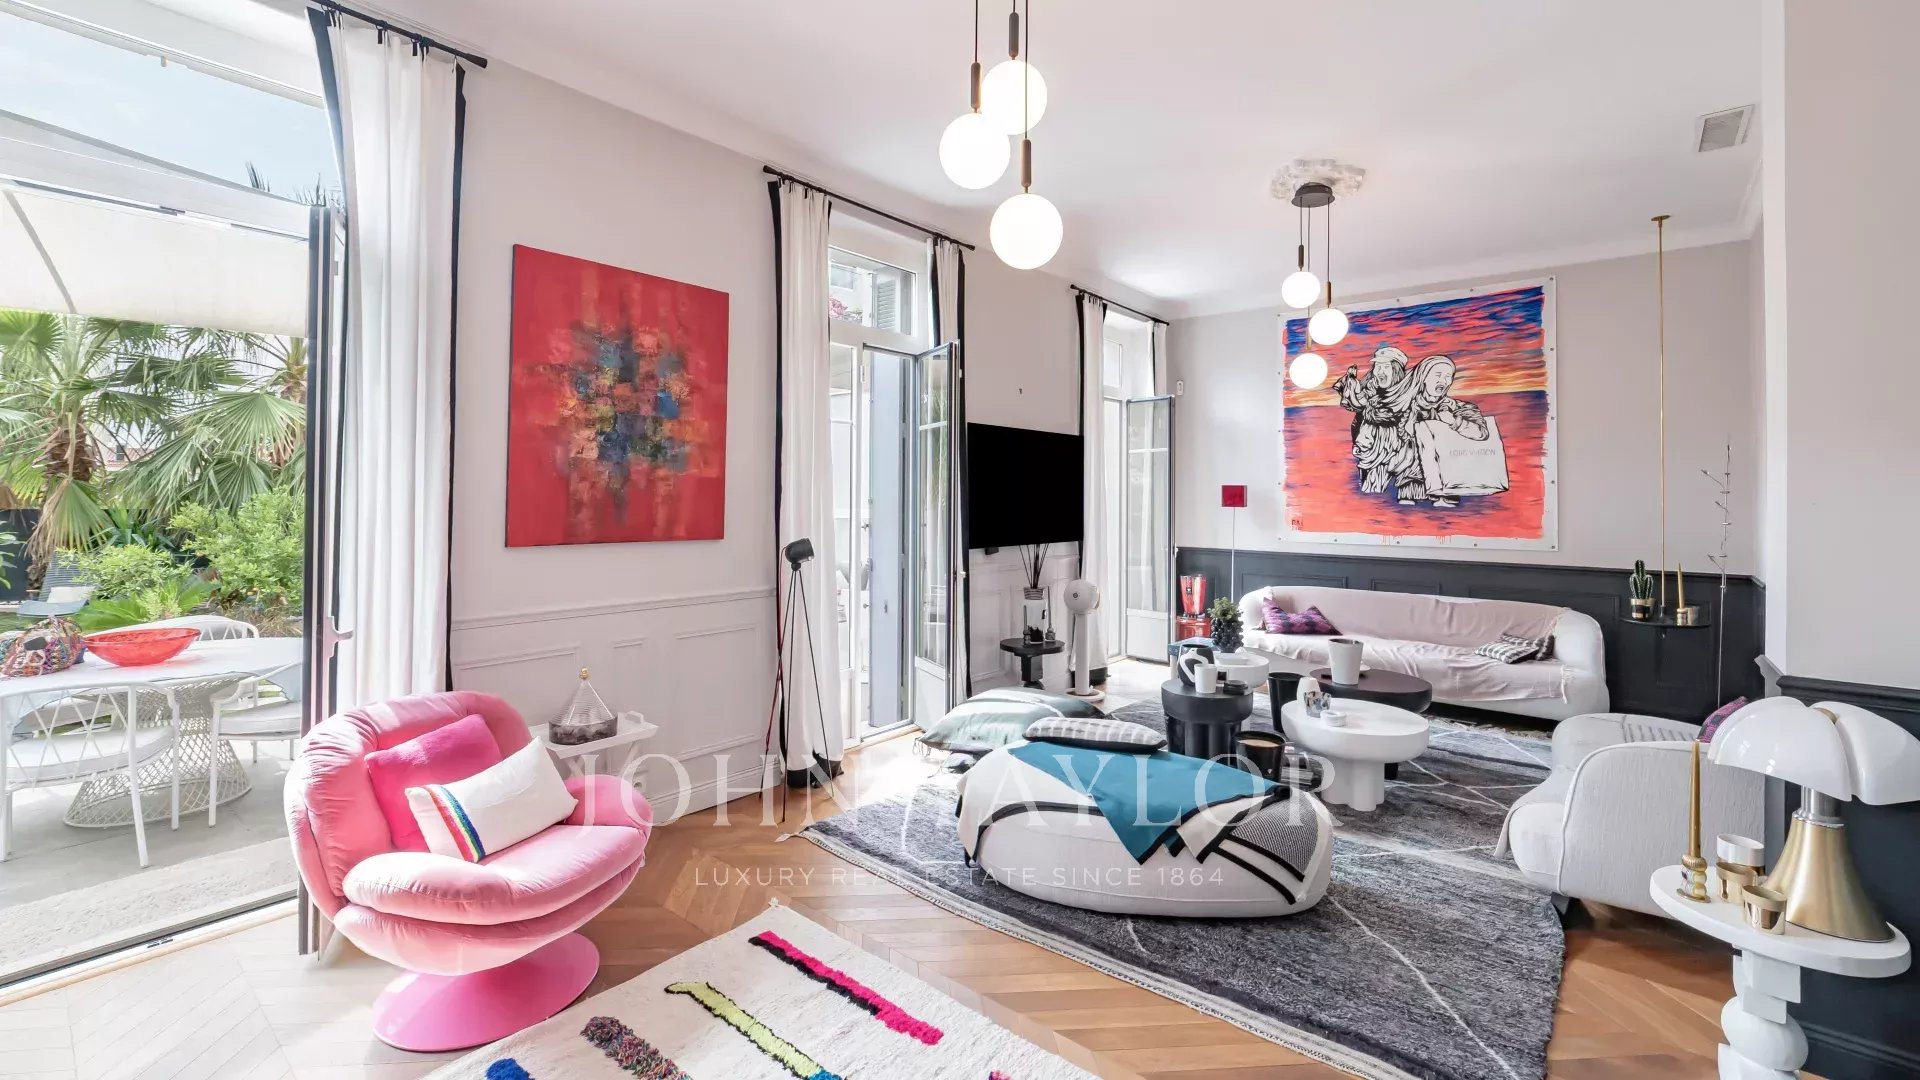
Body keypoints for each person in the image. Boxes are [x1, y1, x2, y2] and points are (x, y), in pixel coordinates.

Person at [1385, 355, 1487, 507]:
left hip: (1447, 482)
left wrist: (1454, 421)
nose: (1443, 381)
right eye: (1438, 375)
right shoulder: (1406, 408)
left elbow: (1482, 434)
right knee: (1406, 508)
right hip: (1412, 483)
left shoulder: (1458, 408)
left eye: (1447, 376)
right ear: (1424, 378)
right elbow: (1394, 442)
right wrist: (1408, 431)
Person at [1332, 347, 1411, 494]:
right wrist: (1353, 387)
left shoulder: (1406, 395)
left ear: (1396, 370)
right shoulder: (1370, 390)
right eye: (1378, 366)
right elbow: (1357, 404)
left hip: (1397, 454)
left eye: (1385, 367)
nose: (1380, 371)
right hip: (1369, 451)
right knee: (1371, 488)